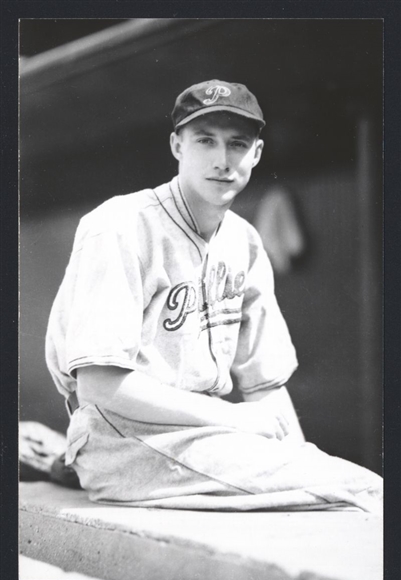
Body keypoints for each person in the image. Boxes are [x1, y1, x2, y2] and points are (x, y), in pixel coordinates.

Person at [45, 80, 382, 512]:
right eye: (205, 140)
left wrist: (295, 452)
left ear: (256, 154)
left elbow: (266, 387)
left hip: (207, 436)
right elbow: (99, 386)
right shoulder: (120, 224)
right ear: (176, 146)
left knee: (328, 475)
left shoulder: (245, 241)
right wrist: (237, 420)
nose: (222, 160)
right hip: (123, 437)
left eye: (237, 144)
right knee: (361, 489)